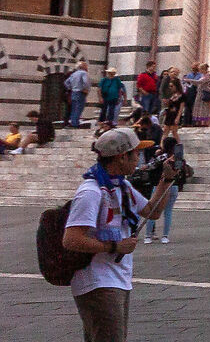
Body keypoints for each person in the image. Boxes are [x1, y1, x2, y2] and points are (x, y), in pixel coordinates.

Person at [63, 128, 175, 342]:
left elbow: (153, 211)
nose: (139, 159)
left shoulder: (122, 187)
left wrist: (166, 180)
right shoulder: (91, 191)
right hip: (97, 281)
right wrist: (114, 247)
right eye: (135, 154)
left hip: (117, 278)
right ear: (122, 157)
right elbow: (71, 239)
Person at [139, 123, 184, 244]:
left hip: (160, 185)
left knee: (153, 209)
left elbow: (150, 166)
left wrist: (143, 167)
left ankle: (148, 236)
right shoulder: (178, 157)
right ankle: (165, 236)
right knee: (168, 212)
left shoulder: (162, 156)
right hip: (173, 185)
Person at [64, 62, 91, 130]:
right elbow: (86, 82)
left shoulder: (74, 74)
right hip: (80, 92)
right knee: (79, 108)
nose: (87, 67)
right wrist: (86, 89)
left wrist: (70, 88)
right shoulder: (84, 73)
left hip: (74, 92)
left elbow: (66, 82)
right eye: (86, 66)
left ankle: (73, 122)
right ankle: (75, 124)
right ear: (83, 67)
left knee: (74, 108)